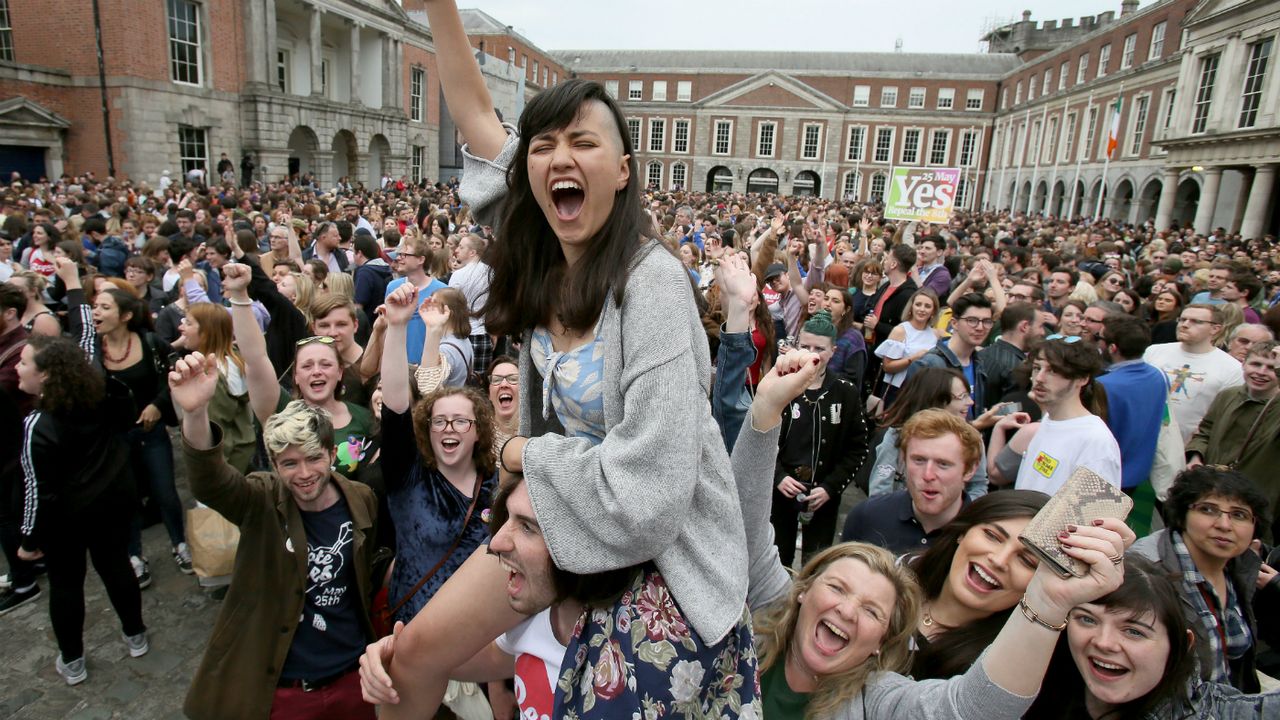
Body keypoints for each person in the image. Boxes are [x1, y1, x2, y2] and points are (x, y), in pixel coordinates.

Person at [378, 3, 758, 716]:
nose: (558, 156)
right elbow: (474, 114)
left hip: (657, 552)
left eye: (581, 141)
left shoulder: (652, 286)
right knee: (410, 656)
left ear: (620, 171)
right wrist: (439, 8)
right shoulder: (539, 253)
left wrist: (521, 451)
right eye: (543, 143)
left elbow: (649, 493)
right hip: (556, 515)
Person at [169, 353, 377, 719]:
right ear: (274, 464)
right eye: (289, 463)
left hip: (351, 679)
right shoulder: (261, 500)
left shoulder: (360, 500)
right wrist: (196, 413)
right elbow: (212, 482)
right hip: (288, 690)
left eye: (313, 458)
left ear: (331, 454)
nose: (304, 474)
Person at [17, 334, 148, 685]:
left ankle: (72, 661)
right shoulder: (97, 396)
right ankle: (135, 635)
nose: (17, 367)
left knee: (65, 586)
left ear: (44, 375)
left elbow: (36, 489)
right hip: (111, 504)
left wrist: (29, 540)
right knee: (117, 567)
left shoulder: (38, 424)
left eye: (24, 362)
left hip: (66, 521)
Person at [59, 258, 188, 584]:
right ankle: (134, 555)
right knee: (125, 500)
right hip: (114, 439)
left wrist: (158, 405)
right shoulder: (92, 350)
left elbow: (169, 376)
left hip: (151, 432)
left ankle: (181, 543)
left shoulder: (149, 343)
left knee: (166, 493)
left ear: (126, 315)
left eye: (104, 307)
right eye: (94, 306)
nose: (96, 312)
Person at [1026, 555, 1280, 719]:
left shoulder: (1219, 713)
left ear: (1183, 645)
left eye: (1134, 631)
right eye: (1087, 619)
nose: (1103, 642)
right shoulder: (1031, 689)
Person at [1128, 466, 1280, 693]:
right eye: (1208, 510)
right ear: (1182, 513)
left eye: (1239, 514)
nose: (1224, 525)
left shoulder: (1240, 565)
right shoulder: (1146, 569)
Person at [904, 490, 1051, 680]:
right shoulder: (893, 575)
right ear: (963, 533)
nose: (999, 560)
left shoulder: (995, 671)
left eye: (1026, 560)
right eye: (992, 536)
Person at [772, 310, 869, 565]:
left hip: (823, 496)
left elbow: (858, 449)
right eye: (805, 346)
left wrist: (831, 487)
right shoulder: (780, 385)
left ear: (834, 351)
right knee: (776, 561)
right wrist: (778, 476)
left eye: (820, 348)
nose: (812, 354)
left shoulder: (845, 393)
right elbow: (760, 438)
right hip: (781, 495)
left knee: (816, 564)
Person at [989, 336, 1122, 493]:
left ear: (1082, 379)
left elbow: (1094, 514)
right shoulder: (1048, 420)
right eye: (1037, 367)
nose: (1039, 378)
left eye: (1053, 371)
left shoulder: (1095, 441)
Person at [842, 408, 983, 554]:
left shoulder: (983, 536)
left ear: (970, 469)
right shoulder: (867, 516)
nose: (928, 475)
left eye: (943, 464)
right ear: (903, 460)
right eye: (919, 460)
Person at [1185, 341, 1280, 542]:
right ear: (1243, 364)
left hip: (1255, 502)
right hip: (1211, 491)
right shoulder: (1228, 395)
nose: (1261, 372)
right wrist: (1195, 456)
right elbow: (1205, 431)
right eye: (1256, 364)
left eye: (1271, 368)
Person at [862, 367, 989, 501]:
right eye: (962, 396)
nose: (970, 402)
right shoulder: (897, 436)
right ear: (937, 400)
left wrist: (959, 514)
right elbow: (880, 489)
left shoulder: (971, 439)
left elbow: (978, 485)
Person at [1143, 304, 1245, 442]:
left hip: (1189, 444)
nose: (1184, 325)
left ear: (1215, 329)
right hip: (1145, 434)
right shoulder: (1154, 351)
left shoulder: (1232, 368)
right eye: (1182, 319)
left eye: (1196, 321)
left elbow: (1223, 416)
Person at [1096, 315, 1169, 502]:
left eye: (1101, 339)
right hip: (1138, 472)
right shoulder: (1159, 376)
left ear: (1112, 348)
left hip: (1106, 474)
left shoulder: (1103, 385)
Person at [176, 303, 255, 473]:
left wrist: (212, 476)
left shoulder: (210, 376)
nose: (181, 327)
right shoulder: (233, 359)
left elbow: (217, 432)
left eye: (188, 323)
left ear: (206, 333)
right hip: (242, 455)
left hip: (227, 466)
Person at [907, 292, 994, 421]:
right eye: (972, 321)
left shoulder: (980, 363)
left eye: (986, 321)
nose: (980, 327)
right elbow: (917, 421)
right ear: (954, 323)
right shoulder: (929, 364)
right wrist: (976, 426)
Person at [384, 234, 448, 365]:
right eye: (399, 254)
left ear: (420, 260)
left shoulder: (442, 290)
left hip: (428, 364)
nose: (399, 258)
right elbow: (386, 325)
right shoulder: (393, 287)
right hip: (398, 362)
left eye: (405, 255)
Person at [873, 287, 941, 408]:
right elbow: (887, 367)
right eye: (918, 304)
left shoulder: (935, 334)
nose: (922, 309)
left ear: (933, 311)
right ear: (911, 307)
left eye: (927, 306)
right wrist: (913, 358)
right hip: (897, 391)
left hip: (922, 392)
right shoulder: (900, 331)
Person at [978, 300, 1042, 408]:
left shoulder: (979, 355)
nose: (1043, 332)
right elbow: (1014, 411)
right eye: (1040, 326)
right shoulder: (1019, 369)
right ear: (1025, 326)